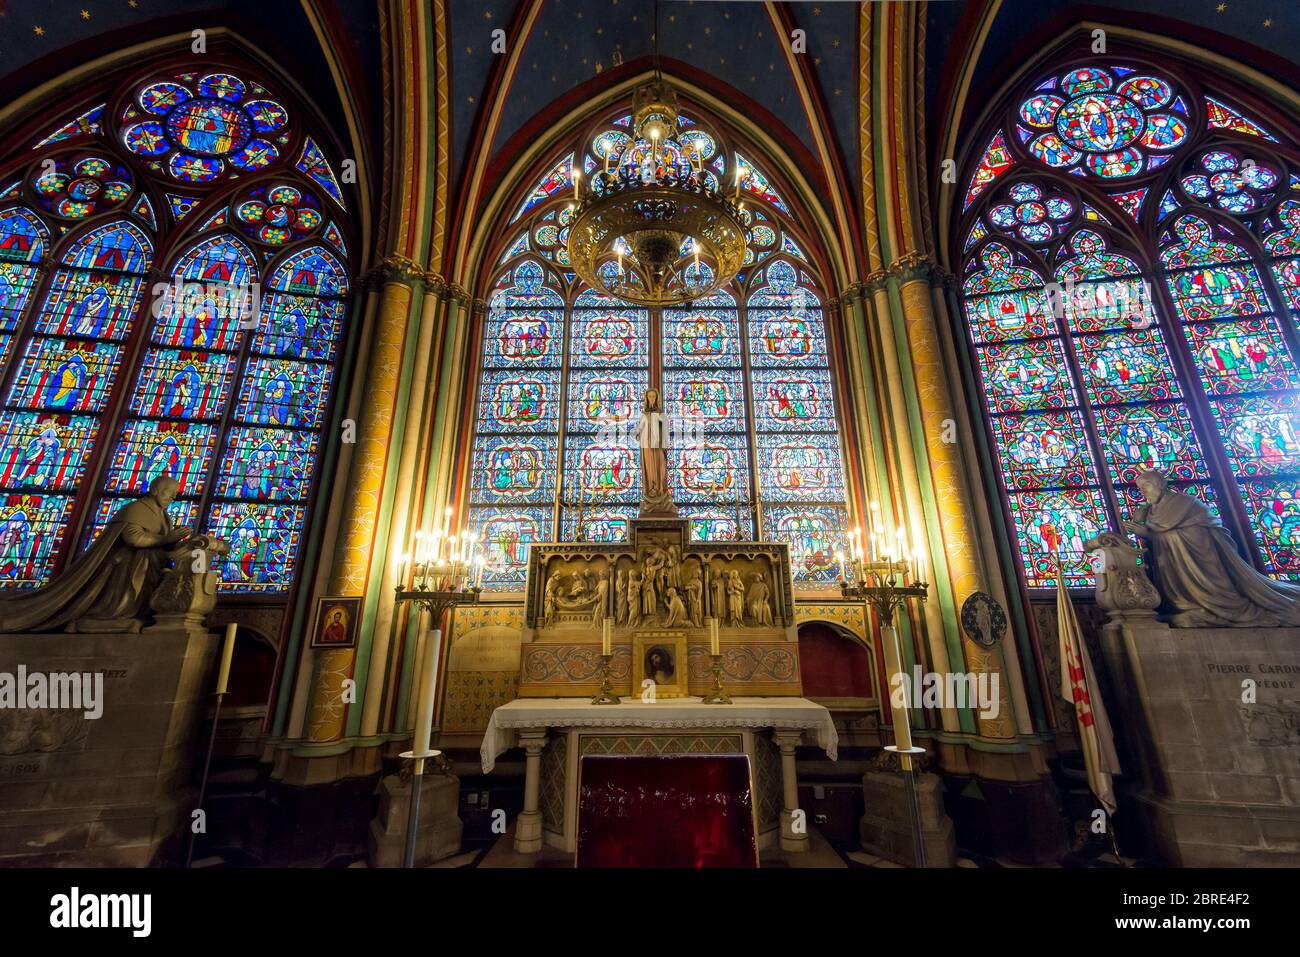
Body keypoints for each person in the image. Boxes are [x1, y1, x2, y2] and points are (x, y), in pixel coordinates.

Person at [0, 475, 194, 633]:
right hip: (127, 567)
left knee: (136, 602)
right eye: (170, 493)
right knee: (121, 603)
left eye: (175, 494)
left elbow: (161, 542)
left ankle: (125, 618)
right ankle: (108, 620)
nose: (173, 498)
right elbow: (134, 539)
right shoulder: (136, 508)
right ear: (155, 490)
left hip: (149, 567)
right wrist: (166, 540)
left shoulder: (163, 514)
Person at [1123, 469, 1300, 627]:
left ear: (1160, 484)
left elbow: (1198, 536)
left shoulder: (1187, 504)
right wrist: (1145, 530)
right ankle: (1194, 608)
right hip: (1172, 567)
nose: (1143, 492)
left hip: (1200, 562)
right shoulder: (1149, 511)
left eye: (1146, 486)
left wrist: (1150, 534)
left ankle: (1228, 608)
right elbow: (1156, 533)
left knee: (1217, 590)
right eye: (1140, 489)